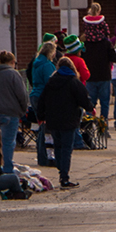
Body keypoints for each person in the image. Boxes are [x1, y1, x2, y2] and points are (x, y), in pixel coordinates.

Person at [36, 57, 92, 188]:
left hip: (53, 120)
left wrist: (41, 116)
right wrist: (90, 107)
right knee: (67, 148)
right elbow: (84, 98)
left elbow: (42, 100)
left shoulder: (50, 83)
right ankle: (64, 177)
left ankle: (61, 170)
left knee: (58, 147)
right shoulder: (74, 82)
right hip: (69, 119)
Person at [0, 50, 28, 175]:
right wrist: (23, 110)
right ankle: (7, 169)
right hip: (9, 112)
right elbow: (22, 95)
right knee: (7, 142)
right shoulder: (13, 74)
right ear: (12, 62)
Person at [82, 6, 116, 119]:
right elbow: (114, 58)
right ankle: (103, 126)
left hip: (90, 77)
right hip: (104, 76)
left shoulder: (85, 44)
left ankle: (88, 125)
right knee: (105, 103)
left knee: (90, 104)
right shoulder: (105, 43)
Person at [28, 42, 58, 166]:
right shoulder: (47, 65)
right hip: (43, 97)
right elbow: (51, 83)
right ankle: (46, 157)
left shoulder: (36, 63)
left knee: (41, 127)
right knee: (46, 129)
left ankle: (42, 156)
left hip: (35, 94)